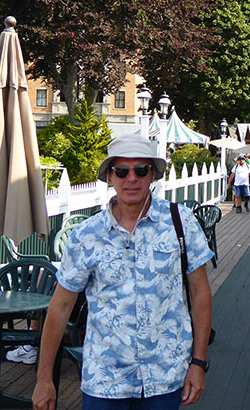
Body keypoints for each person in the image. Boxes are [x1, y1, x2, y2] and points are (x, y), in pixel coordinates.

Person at [32, 133, 213, 410]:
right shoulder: (86, 235)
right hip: (105, 380)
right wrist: (44, 379)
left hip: (164, 377)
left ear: (152, 175)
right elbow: (60, 307)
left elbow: (200, 294)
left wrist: (198, 363)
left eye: (141, 170)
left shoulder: (181, 222)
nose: (132, 178)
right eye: (122, 171)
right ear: (110, 177)